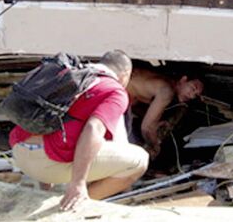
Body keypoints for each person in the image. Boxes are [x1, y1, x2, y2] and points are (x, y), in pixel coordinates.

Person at [9, 50, 148, 211]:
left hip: (20, 154)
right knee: (139, 161)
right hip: (48, 163)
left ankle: (48, 190)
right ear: (125, 75)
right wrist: (78, 183)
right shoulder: (115, 91)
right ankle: (72, 204)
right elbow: (93, 129)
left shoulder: (71, 74)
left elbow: (45, 120)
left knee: (76, 141)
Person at [126, 68, 204, 158]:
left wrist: (157, 122)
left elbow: (142, 110)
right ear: (183, 79)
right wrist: (155, 145)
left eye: (196, 95)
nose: (192, 96)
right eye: (193, 88)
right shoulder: (167, 91)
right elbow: (146, 128)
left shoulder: (165, 83)